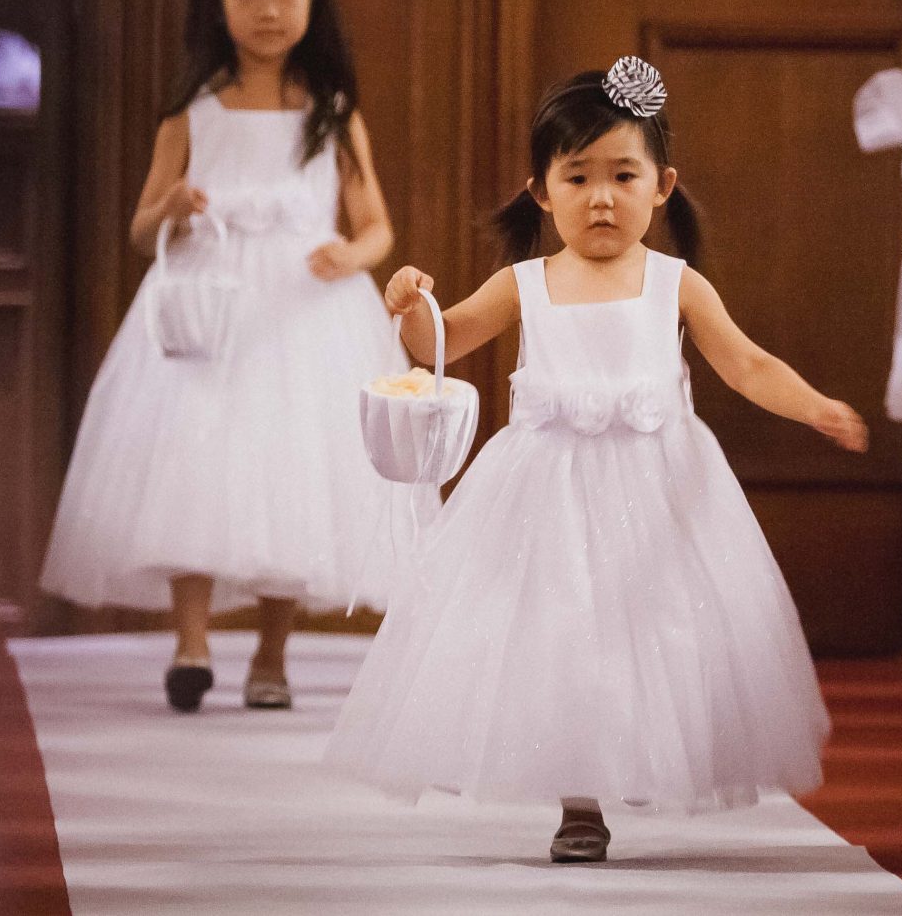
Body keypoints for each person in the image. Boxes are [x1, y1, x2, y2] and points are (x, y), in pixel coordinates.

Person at [324, 58, 868, 864]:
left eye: (623, 174)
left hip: (659, 492)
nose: (602, 196)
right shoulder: (527, 282)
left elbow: (747, 364)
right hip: (545, 491)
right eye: (577, 177)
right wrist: (407, 305)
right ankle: (580, 802)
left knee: (656, 631)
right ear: (542, 190)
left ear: (663, 185)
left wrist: (815, 404)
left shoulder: (676, 284)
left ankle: (642, 758)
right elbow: (446, 340)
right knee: (562, 635)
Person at [39, 0, 408, 713]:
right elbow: (141, 228)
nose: (268, 10)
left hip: (303, 308)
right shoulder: (193, 109)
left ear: (314, 1)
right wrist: (169, 205)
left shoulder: (333, 113)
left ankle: (273, 654)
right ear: (217, 1)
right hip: (205, 305)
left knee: (293, 470)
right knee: (190, 461)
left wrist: (352, 252)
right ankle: (193, 641)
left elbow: (375, 221)